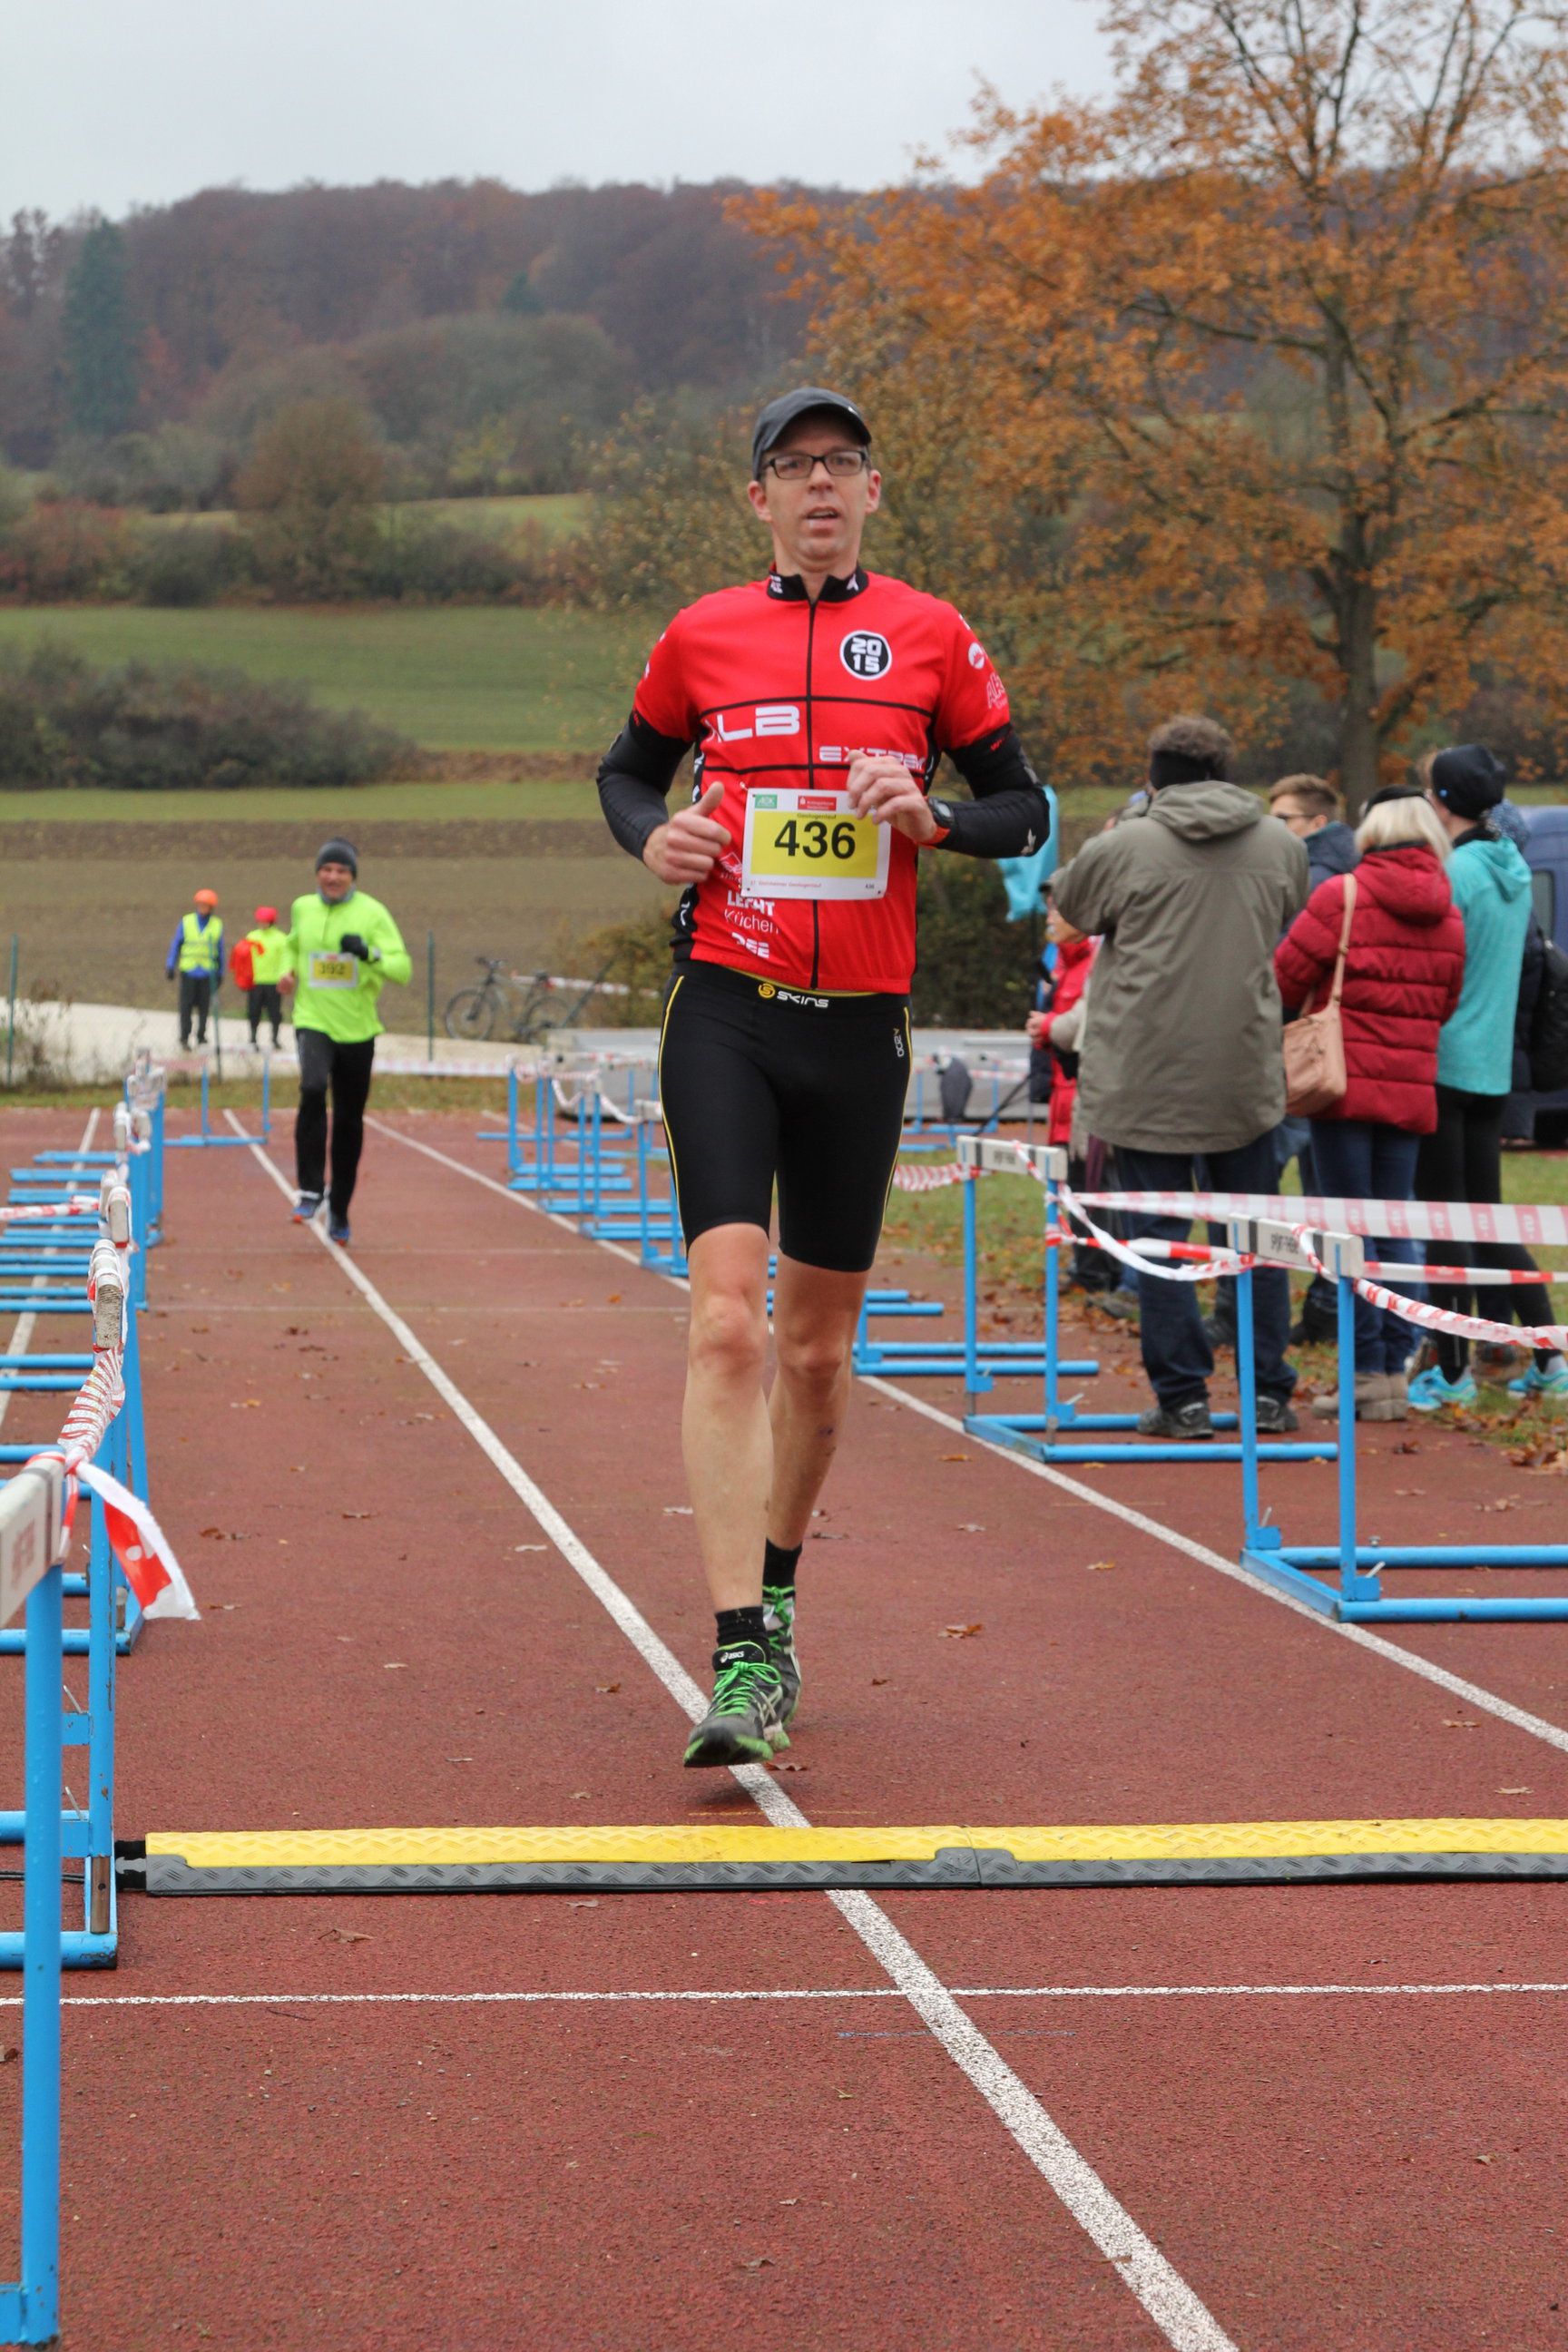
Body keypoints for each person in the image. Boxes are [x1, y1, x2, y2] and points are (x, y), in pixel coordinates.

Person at [596, 384, 1049, 1769]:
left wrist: (937, 817)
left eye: (841, 464)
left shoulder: (932, 635)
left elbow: (1026, 806)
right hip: (726, 1009)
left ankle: (780, 1589)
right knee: (727, 1323)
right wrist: (653, 839)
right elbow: (626, 774)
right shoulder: (700, 634)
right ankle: (739, 1645)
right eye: (793, 468)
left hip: (859, 1029)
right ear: (759, 499)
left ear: (871, 491)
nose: (818, 486)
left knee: (814, 1351)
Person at [1053, 713, 1310, 1437]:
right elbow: (1288, 909)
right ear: (1224, 773)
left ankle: (1183, 1398)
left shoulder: (1126, 843)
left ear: (1152, 778)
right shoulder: (1281, 844)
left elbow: (1071, 906)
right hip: (1243, 1070)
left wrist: (1135, 824)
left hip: (1146, 1073)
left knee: (1160, 1240)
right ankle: (1268, 1391)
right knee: (1255, 1235)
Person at [1275, 787, 1465, 1418]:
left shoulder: (1343, 895)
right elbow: (1446, 1001)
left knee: (1348, 1230)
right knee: (1394, 1226)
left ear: (1373, 832)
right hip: (1409, 1085)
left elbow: (1285, 975)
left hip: (1342, 1082)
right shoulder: (1447, 910)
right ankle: (1392, 1372)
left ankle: (1362, 1371)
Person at [1407, 746, 1568, 1408]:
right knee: (1486, 1218)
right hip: (1493, 1069)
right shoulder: (1513, 867)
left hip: (1446, 1062)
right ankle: (1550, 1356)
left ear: (1441, 801)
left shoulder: (1454, 872)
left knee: (1447, 1222)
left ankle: (1450, 1373)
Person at [278, 840, 410, 1247]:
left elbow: (402, 969)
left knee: (349, 1121)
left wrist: (368, 953)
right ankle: (310, 1189)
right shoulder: (303, 907)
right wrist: (287, 971)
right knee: (312, 1088)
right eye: (326, 869)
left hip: (357, 1029)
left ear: (353, 877)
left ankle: (340, 1207)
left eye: (341, 871)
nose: (333, 877)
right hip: (312, 1019)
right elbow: (292, 945)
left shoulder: (373, 913)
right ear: (317, 873)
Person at [1268, 776, 1359, 891]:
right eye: (1270, 820)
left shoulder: (1313, 881)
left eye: (1282, 819)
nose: (1272, 826)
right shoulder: (1354, 859)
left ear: (1318, 823)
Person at [166, 888, 223, 1048]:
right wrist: (170, 965)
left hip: (207, 972)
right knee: (186, 1006)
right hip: (189, 971)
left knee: (204, 1007)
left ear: (211, 907)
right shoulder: (186, 921)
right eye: (200, 904)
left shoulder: (217, 924)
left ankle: (201, 1036)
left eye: (206, 905)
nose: (202, 908)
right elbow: (176, 944)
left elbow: (220, 950)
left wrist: (220, 972)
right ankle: (184, 1037)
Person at [236, 906, 290, 1050]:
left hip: (274, 982)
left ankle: (275, 1039)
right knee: (253, 1012)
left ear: (271, 922)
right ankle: (253, 1038)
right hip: (256, 982)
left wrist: (284, 976)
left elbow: (286, 959)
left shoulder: (281, 938)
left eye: (264, 921)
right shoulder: (252, 937)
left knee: (275, 1013)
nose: (261, 924)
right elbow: (243, 958)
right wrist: (243, 977)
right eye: (260, 921)